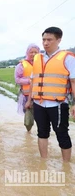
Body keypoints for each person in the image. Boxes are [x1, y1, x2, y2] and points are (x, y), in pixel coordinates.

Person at [25, 27, 75, 162]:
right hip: (39, 103)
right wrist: (29, 100)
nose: (45, 43)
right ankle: (44, 162)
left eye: (49, 39)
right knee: (41, 133)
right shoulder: (37, 58)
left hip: (58, 104)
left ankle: (66, 165)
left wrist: (74, 104)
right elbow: (33, 81)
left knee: (62, 134)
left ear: (58, 40)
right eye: (44, 39)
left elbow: (74, 83)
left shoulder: (67, 58)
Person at [15, 44, 40, 131]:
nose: (33, 54)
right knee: (28, 121)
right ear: (27, 53)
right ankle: (29, 133)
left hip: (40, 96)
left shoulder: (41, 64)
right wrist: (30, 81)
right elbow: (17, 79)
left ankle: (41, 133)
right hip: (26, 95)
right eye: (31, 52)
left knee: (42, 119)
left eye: (35, 52)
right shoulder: (21, 65)